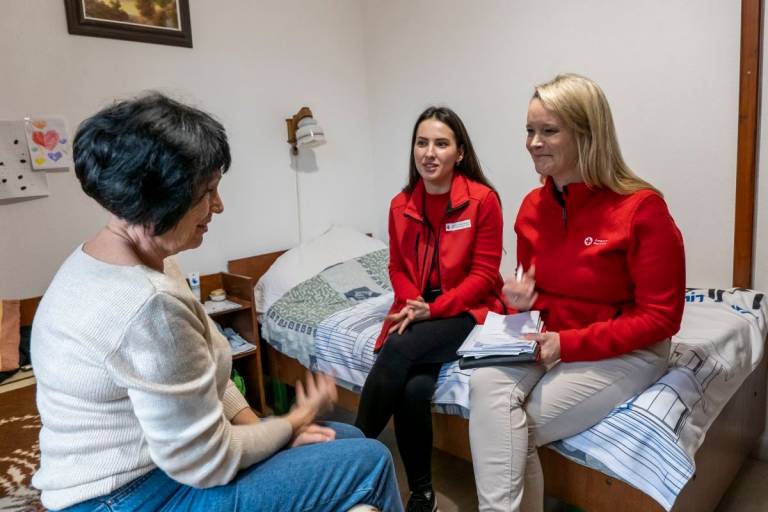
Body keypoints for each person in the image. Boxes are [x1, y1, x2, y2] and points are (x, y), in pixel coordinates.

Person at [31, 93, 403, 512]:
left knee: (347, 438)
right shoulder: (149, 305)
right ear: (158, 199)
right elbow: (205, 461)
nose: (219, 206)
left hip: (163, 467)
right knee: (369, 462)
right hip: (128, 495)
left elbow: (209, 373)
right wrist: (291, 422)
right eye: (207, 192)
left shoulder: (136, 260)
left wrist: (276, 434)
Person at [468, 73, 686, 511]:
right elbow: (535, 284)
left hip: (626, 349)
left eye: (548, 131)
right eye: (529, 130)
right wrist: (523, 300)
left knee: (516, 428)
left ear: (587, 135)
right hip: (549, 339)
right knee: (484, 383)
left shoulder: (641, 208)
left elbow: (662, 318)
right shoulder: (532, 207)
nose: (533, 142)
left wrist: (567, 344)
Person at [355, 106, 506, 512]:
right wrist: (411, 304)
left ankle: (349, 458)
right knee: (414, 388)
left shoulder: (482, 201)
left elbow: (485, 274)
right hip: (417, 308)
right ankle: (422, 493)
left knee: (399, 350)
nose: (430, 152)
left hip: (467, 308)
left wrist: (433, 309)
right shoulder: (401, 204)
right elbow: (397, 266)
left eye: (441, 143)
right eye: (422, 143)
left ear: (459, 152)